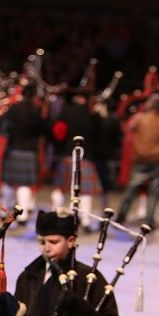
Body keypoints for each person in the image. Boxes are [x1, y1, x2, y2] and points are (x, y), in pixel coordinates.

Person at [115, 95, 159, 229]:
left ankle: (120, 217)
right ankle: (149, 221)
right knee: (154, 193)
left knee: (130, 191)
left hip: (141, 159)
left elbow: (129, 130)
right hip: (158, 160)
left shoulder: (139, 119)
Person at [49, 94, 104, 231]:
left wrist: (60, 145)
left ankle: (56, 217)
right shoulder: (93, 113)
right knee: (85, 192)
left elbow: (58, 131)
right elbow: (100, 133)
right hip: (87, 155)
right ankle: (85, 222)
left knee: (60, 189)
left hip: (68, 154)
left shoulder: (66, 111)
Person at [1, 82, 48, 225]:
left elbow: (1, 125)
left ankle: (4, 212)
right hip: (30, 150)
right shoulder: (37, 111)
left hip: (14, 148)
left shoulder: (14, 109)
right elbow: (42, 130)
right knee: (25, 184)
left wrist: (10, 135)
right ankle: (23, 214)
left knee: (9, 182)